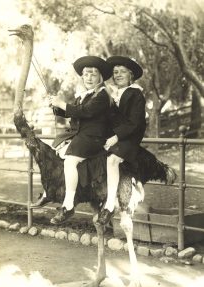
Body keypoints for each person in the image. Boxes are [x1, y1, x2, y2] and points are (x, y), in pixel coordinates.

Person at [32, 56, 112, 224]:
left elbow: (85, 112)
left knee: (70, 161)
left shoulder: (102, 95)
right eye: (86, 74)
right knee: (55, 153)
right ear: (82, 77)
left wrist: (62, 103)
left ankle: (68, 205)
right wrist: (56, 107)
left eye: (93, 74)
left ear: (100, 77)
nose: (89, 78)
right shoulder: (84, 95)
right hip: (81, 135)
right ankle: (51, 191)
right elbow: (73, 111)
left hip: (94, 138)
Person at [97, 56, 146, 225]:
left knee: (112, 160)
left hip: (129, 139)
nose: (118, 75)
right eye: (115, 72)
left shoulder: (136, 94)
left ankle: (110, 205)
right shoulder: (111, 93)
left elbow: (135, 122)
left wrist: (116, 136)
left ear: (130, 75)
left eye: (122, 72)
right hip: (113, 137)